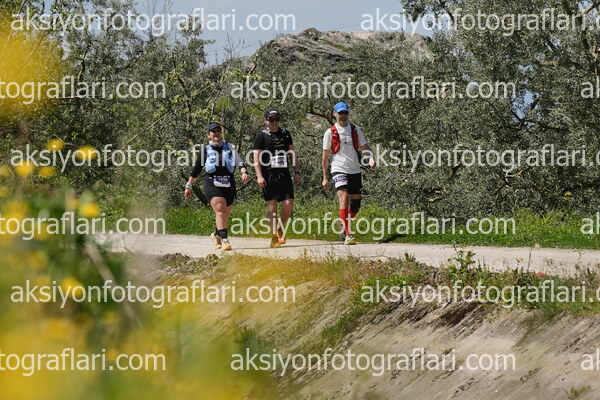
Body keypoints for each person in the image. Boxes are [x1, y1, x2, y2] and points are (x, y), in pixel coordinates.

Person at [185, 122, 250, 251]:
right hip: (212, 183)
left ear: (221, 133)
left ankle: (216, 235)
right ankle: (225, 240)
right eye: (213, 132)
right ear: (209, 135)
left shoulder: (230, 147)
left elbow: (239, 162)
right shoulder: (205, 150)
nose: (216, 133)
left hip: (229, 182)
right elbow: (197, 169)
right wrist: (189, 185)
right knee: (220, 210)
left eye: (218, 131)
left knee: (225, 214)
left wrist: (244, 172)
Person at [322, 102, 376, 245]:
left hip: (354, 169)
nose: (343, 115)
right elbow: (325, 155)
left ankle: (343, 223)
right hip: (338, 168)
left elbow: (364, 146)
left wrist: (370, 158)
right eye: (340, 113)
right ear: (334, 113)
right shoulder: (330, 132)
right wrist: (325, 177)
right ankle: (348, 234)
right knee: (344, 197)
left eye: (345, 113)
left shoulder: (355, 129)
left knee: (356, 204)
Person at [253, 108, 301, 248]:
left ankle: (280, 228)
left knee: (288, 204)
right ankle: (274, 236)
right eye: (271, 119)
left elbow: (292, 153)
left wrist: (297, 172)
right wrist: (259, 176)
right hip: (268, 175)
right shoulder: (261, 136)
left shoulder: (285, 133)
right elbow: (256, 157)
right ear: (265, 121)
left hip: (284, 174)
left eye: (277, 119)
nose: (274, 122)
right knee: (272, 206)